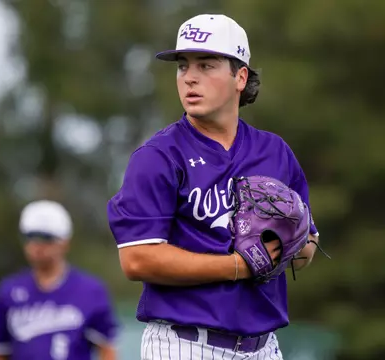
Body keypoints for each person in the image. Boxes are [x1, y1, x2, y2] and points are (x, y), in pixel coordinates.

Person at [107, 13, 323, 360]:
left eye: (205, 65)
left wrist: (291, 244)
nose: (189, 78)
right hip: (184, 345)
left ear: (240, 77)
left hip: (265, 347)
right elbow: (136, 259)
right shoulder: (159, 156)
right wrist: (238, 264)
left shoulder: (274, 152)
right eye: (182, 66)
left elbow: (306, 248)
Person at [0, 200, 120, 360]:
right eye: (30, 237)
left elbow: (107, 350)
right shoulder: (8, 291)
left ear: (64, 242)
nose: (37, 245)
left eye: (46, 238)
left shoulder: (91, 290)